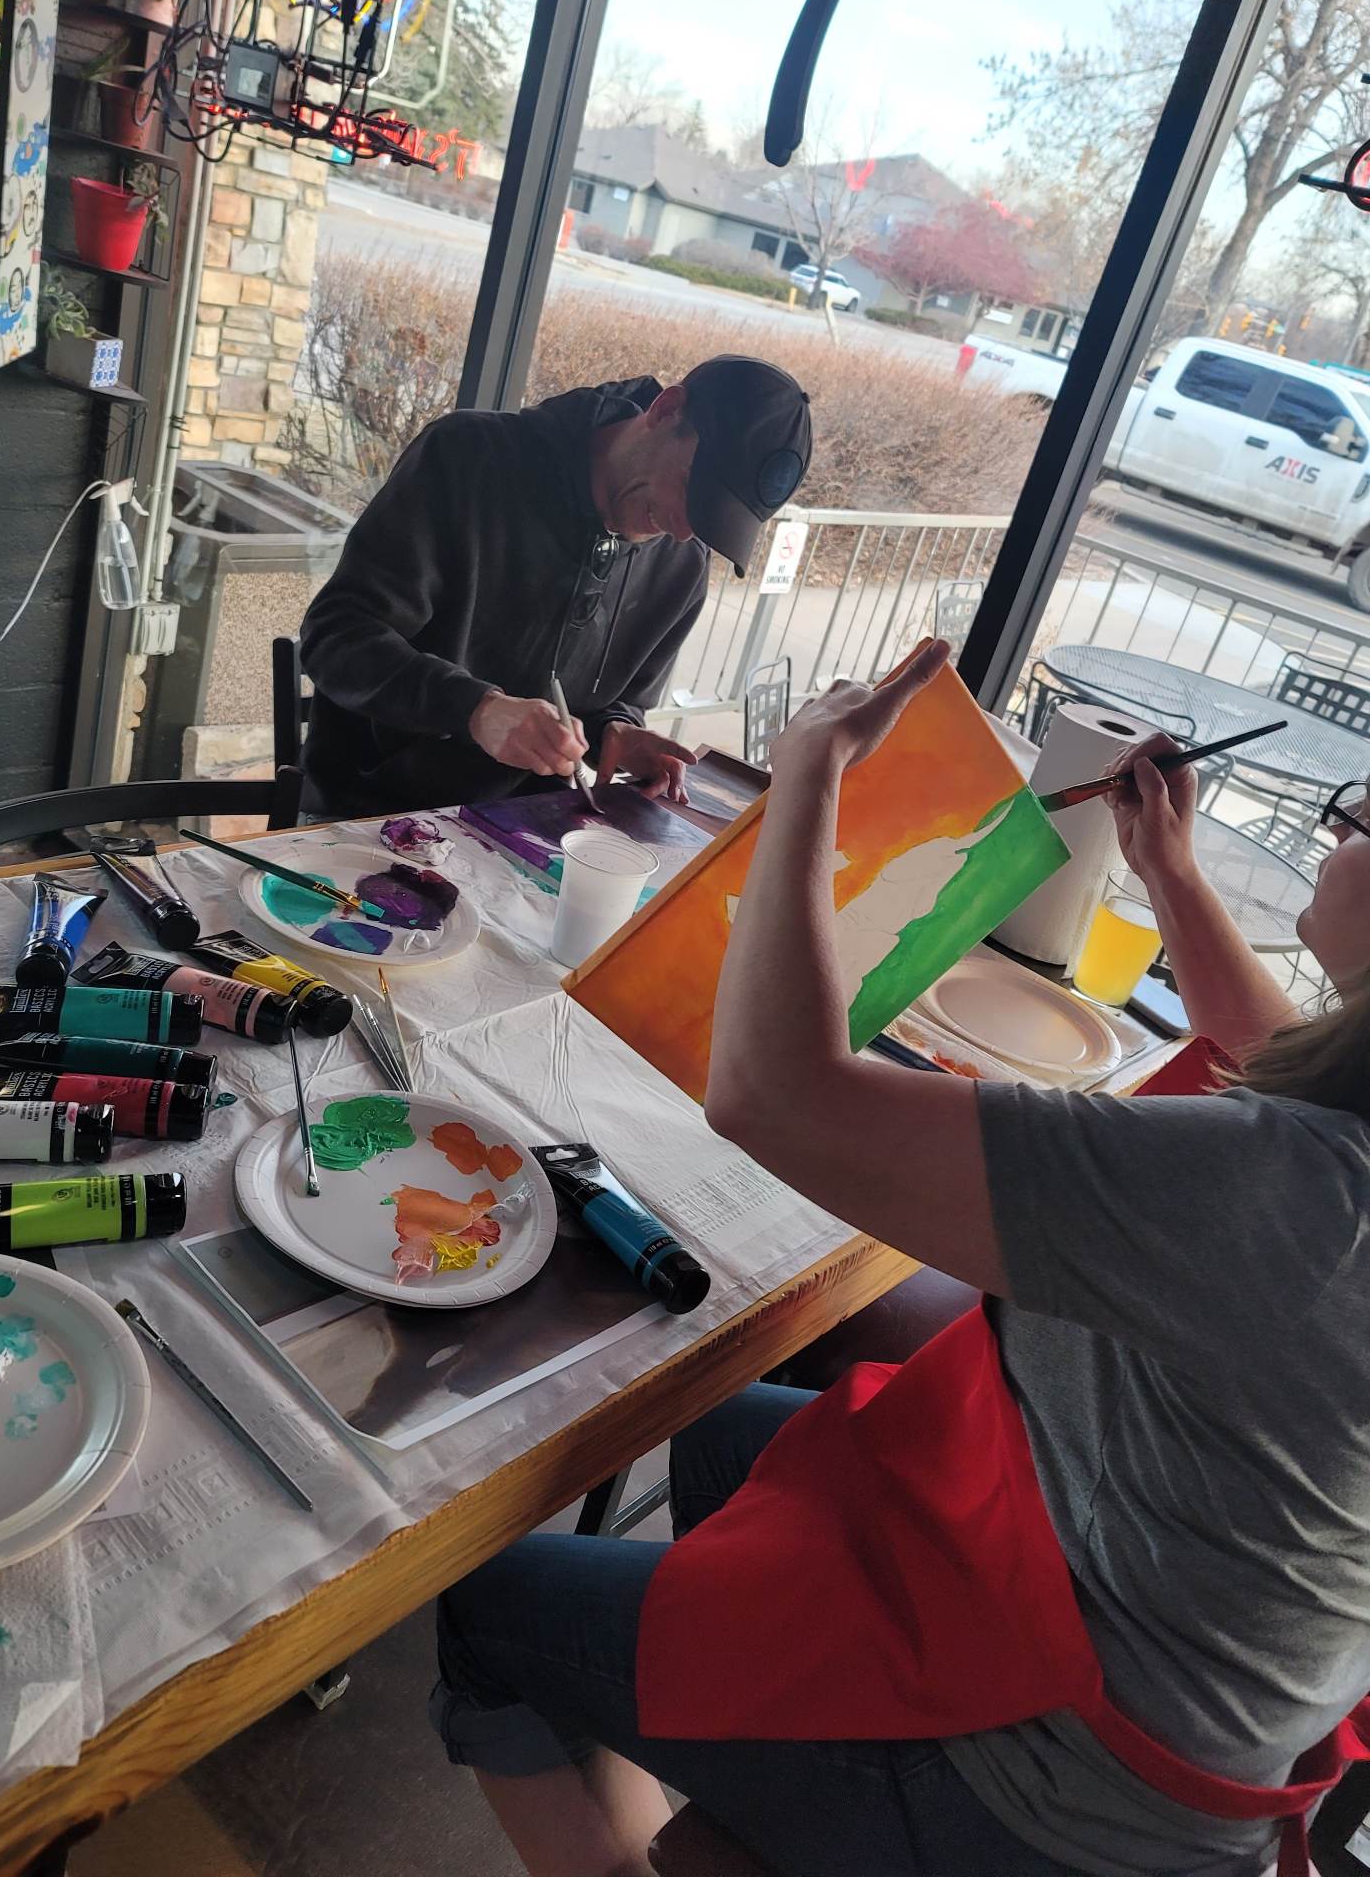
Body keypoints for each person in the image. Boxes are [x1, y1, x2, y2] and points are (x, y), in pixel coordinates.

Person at [431, 641, 1370, 1877]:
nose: (1339, 823)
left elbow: (775, 1094)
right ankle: (747, 1762)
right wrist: (1171, 871)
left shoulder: (1302, 1195)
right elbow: (1277, 1053)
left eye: (1365, 812)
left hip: (1055, 1786)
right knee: (720, 1433)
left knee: (486, 1605)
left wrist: (810, 780)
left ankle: (726, 1814)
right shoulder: (1334, 1151)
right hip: (1106, 1602)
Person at [297, 356, 812, 818]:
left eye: (710, 523)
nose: (682, 530)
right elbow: (335, 635)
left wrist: (615, 733)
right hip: (367, 815)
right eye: (691, 492)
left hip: (524, 831)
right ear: (666, 410)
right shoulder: (467, 458)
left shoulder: (682, 565)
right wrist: (475, 709)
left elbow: (618, 701)